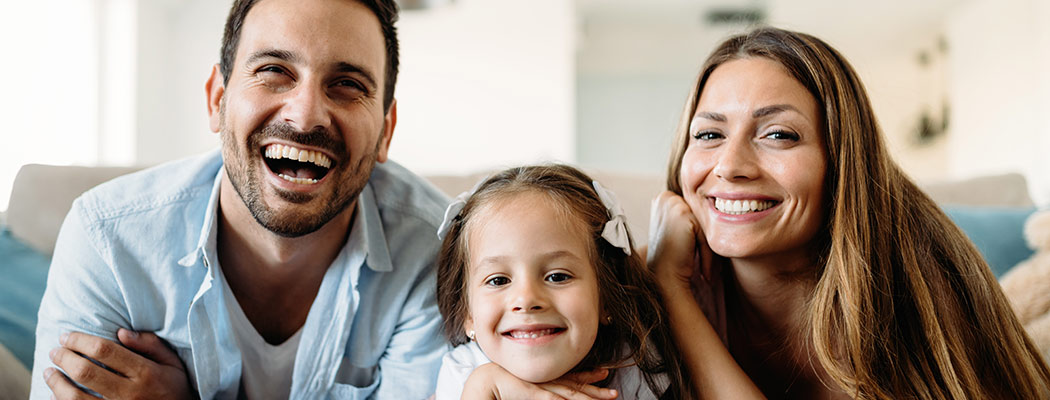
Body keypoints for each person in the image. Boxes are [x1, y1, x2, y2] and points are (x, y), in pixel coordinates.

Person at [29, 0, 450, 398]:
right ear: (217, 99)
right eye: (273, 70)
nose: (304, 115)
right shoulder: (107, 239)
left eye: (347, 85)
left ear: (386, 131)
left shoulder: (438, 252)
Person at [647, 26, 1050, 399]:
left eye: (778, 135)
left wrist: (671, 290)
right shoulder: (636, 282)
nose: (730, 165)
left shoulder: (920, 282)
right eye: (709, 135)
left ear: (841, 160)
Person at [433, 165, 690, 399]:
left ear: (607, 297)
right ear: (468, 313)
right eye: (498, 280)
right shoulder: (464, 376)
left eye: (557, 277)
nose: (526, 300)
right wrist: (482, 390)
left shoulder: (635, 366)